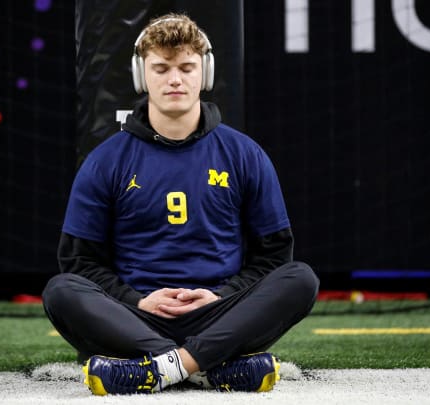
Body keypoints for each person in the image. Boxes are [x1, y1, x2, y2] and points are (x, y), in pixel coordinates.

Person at [42, 13, 319, 395]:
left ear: (204, 73)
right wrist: (137, 300)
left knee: (301, 279)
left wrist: (221, 296)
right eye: (161, 67)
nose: (175, 79)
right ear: (142, 76)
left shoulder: (244, 154)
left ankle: (164, 367)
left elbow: (275, 257)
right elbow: (77, 262)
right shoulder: (106, 160)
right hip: (136, 317)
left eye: (187, 67)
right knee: (61, 291)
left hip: (221, 314)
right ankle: (208, 367)